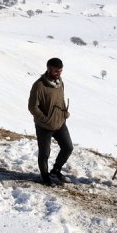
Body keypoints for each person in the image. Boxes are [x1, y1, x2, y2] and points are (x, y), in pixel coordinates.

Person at [28, 57, 73, 185]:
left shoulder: (60, 83)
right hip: (44, 126)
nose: (58, 73)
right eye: (56, 71)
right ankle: (45, 176)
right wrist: (45, 119)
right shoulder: (39, 85)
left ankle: (56, 170)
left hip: (60, 123)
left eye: (60, 71)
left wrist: (64, 112)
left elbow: (60, 99)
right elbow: (32, 107)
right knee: (45, 153)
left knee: (68, 147)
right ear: (48, 69)